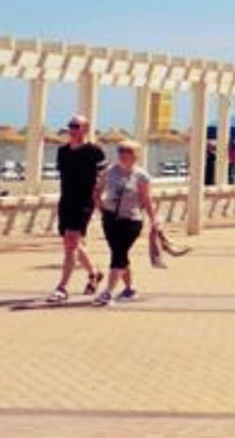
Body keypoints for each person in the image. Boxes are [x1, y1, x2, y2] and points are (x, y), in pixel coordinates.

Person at [93, 137, 156, 306]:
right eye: (120, 150)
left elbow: (147, 199)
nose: (122, 154)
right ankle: (129, 289)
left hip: (131, 220)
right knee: (119, 253)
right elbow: (97, 189)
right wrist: (99, 206)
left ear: (136, 155)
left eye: (127, 151)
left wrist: (154, 220)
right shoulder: (109, 171)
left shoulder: (142, 176)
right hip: (110, 218)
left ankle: (108, 292)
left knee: (118, 254)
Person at [49, 115, 105, 302]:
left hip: (84, 202)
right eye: (70, 126)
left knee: (71, 244)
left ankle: (62, 287)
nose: (71, 129)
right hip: (66, 201)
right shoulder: (62, 151)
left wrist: (99, 200)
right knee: (71, 243)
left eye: (75, 126)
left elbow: (102, 178)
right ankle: (94, 274)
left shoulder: (94, 151)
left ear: (85, 129)